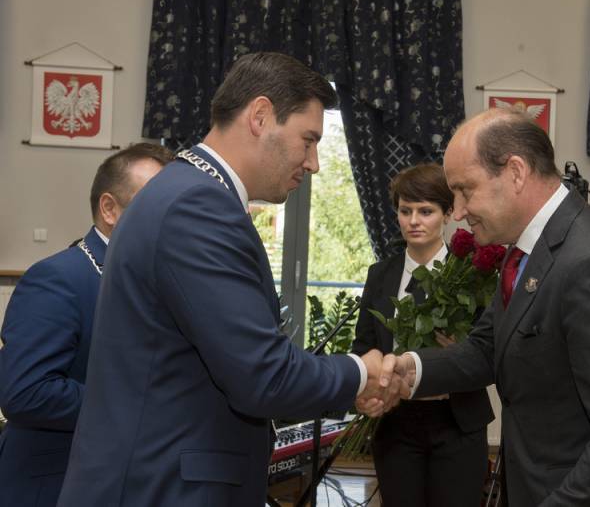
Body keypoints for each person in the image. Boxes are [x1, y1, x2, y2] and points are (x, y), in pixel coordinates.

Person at [55, 53, 403, 507]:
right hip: (163, 489)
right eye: (309, 140)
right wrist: (360, 372)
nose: (314, 163)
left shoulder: (187, 192)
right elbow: (263, 375)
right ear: (260, 116)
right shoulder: (197, 206)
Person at [385, 107, 590, 505]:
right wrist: (410, 369)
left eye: (465, 190)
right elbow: (488, 348)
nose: (458, 210)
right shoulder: (526, 248)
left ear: (516, 172)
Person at [0, 143, 171, 507]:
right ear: (109, 208)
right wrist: (141, 404)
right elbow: (26, 392)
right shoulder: (57, 278)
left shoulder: (158, 279)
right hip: (53, 485)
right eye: (155, 202)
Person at [352, 163, 494, 506]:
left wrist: (461, 351)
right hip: (395, 421)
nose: (413, 221)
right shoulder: (380, 274)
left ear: (447, 213)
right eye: (406, 211)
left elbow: (491, 353)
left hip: (458, 421)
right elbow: (363, 346)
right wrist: (365, 387)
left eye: (426, 211)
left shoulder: (473, 274)